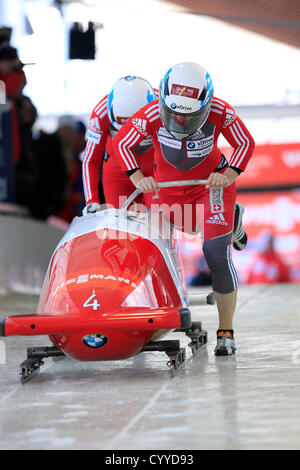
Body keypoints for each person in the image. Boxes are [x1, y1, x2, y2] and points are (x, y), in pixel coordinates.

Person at [112, 62, 255, 356]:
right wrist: (138, 177)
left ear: (205, 106)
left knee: (215, 252)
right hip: (168, 191)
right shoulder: (151, 114)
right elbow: (121, 142)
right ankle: (233, 223)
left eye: (188, 115)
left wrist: (228, 175)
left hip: (210, 186)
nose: (178, 119)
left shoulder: (220, 112)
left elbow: (245, 143)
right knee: (153, 244)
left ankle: (225, 331)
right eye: (173, 111)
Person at [82, 75, 157, 214]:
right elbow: (90, 159)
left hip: (154, 172)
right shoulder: (100, 113)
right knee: (121, 228)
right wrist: (91, 201)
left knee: (162, 221)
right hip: (118, 175)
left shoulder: (163, 105)